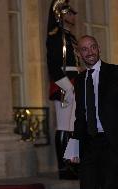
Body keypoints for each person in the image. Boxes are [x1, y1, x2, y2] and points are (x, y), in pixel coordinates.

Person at [67, 35, 118, 189]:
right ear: (79, 54)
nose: (90, 52)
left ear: (99, 48)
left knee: (109, 185)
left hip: (112, 142)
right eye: (84, 49)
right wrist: (74, 148)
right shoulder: (80, 80)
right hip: (89, 143)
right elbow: (80, 116)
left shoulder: (115, 71)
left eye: (93, 47)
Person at [46, 0, 79, 180]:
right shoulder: (56, 34)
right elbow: (54, 64)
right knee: (64, 126)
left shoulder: (69, 36)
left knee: (73, 127)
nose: (73, 16)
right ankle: (64, 168)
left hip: (73, 82)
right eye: (69, 12)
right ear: (61, 14)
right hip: (64, 82)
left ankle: (72, 164)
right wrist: (67, 86)